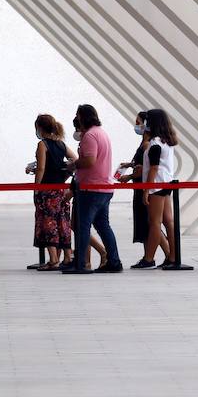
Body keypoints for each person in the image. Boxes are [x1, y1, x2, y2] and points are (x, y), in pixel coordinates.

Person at [64, 104, 122, 274]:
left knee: (82, 226)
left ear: (84, 116)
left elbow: (90, 161)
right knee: (103, 226)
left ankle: (80, 264)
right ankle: (114, 261)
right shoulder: (101, 133)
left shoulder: (89, 136)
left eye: (78, 115)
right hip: (104, 188)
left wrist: (73, 165)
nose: (76, 118)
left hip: (91, 188)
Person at [133, 108, 180, 269]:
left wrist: (146, 190)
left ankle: (149, 258)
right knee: (169, 222)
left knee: (154, 222)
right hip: (166, 183)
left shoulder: (154, 144)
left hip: (156, 186)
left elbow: (153, 168)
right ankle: (173, 256)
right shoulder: (166, 141)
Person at [28, 114, 74, 271]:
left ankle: (53, 259)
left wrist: (36, 189)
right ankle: (67, 257)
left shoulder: (43, 144)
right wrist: (64, 175)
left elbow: (41, 168)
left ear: (40, 128)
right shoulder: (61, 144)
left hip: (47, 190)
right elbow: (74, 160)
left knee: (48, 223)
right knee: (63, 223)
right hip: (61, 189)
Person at [117, 111, 154, 254]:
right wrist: (129, 165)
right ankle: (148, 256)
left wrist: (128, 177)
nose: (136, 125)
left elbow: (144, 168)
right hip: (139, 187)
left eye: (138, 122)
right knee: (145, 222)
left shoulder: (146, 144)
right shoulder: (144, 143)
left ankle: (150, 256)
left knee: (147, 223)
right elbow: (139, 164)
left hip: (141, 187)